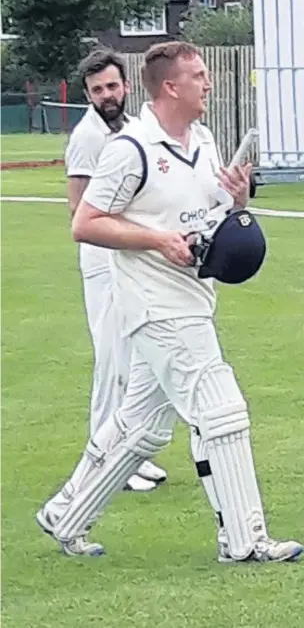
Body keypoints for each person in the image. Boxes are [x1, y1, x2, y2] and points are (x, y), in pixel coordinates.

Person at [51, 41, 302, 562]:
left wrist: (237, 199)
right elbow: (85, 223)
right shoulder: (131, 148)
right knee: (222, 411)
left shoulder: (204, 139)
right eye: (199, 76)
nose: (208, 84)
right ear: (170, 86)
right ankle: (245, 542)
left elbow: (209, 211)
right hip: (154, 303)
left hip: (194, 295)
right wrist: (157, 241)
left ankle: (65, 515)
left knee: (141, 426)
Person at [36, 48, 167, 555]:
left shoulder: (132, 126)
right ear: (87, 95)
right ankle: (107, 462)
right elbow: (77, 210)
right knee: (113, 363)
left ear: (125, 86)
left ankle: (131, 455)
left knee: (137, 362)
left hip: (130, 256)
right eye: (97, 91)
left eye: (112, 87)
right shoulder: (88, 137)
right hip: (103, 261)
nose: (107, 96)